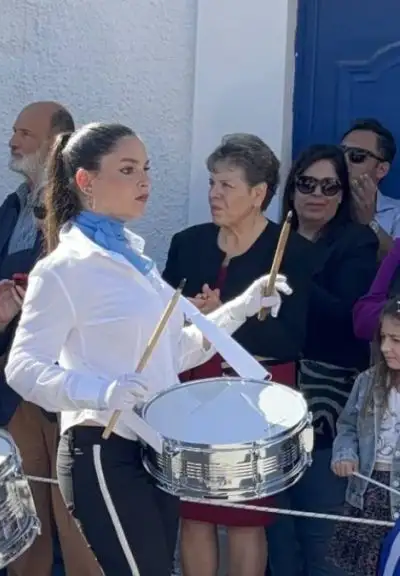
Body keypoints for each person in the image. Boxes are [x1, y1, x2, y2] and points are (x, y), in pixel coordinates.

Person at [4, 123, 290, 576]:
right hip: (100, 445)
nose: (145, 181)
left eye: (146, 169)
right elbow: (22, 368)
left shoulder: (135, 262)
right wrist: (100, 391)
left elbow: (175, 353)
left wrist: (241, 307)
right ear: (86, 181)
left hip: (154, 446)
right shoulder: (64, 267)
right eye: (128, 169)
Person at [164, 133, 314, 576]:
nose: (213, 193)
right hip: (195, 387)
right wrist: (198, 322)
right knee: (193, 512)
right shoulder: (187, 244)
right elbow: (165, 321)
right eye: (212, 182)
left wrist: (226, 316)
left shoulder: (294, 253)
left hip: (257, 395)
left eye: (226, 185)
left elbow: (291, 338)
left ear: (258, 193)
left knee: (247, 519)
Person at [0, 100, 74, 576]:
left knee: (75, 531)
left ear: (55, 145)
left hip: (65, 391)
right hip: (13, 394)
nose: (13, 141)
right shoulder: (11, 207)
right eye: (14, 131)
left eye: (25, 134)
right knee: (23, 526)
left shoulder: (78, 210)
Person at [267, 144, 378, 576]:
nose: (317, 194)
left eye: (330, 186)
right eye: (306, 183)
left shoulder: (356, 241)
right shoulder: (271, 240)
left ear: (342, 195)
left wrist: (289, 271)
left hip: (327, 406)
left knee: (320, 527)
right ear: (291, 189)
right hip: (272, 400)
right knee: (275, 529)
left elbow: (349, 318)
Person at [329, 299, 400, 575]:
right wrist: (346, 455)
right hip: (368, 495)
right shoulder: (367, 381)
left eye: (396, 340)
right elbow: (347, 426)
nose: (385, 348)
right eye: (383, 337)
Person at [342, 118, 396, 257]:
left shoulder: (396, 214)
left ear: (381, 169)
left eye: (357, 156)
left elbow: (395, 264)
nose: (344, 162)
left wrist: (369, 222)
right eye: (340, 154)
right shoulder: (321, 200)